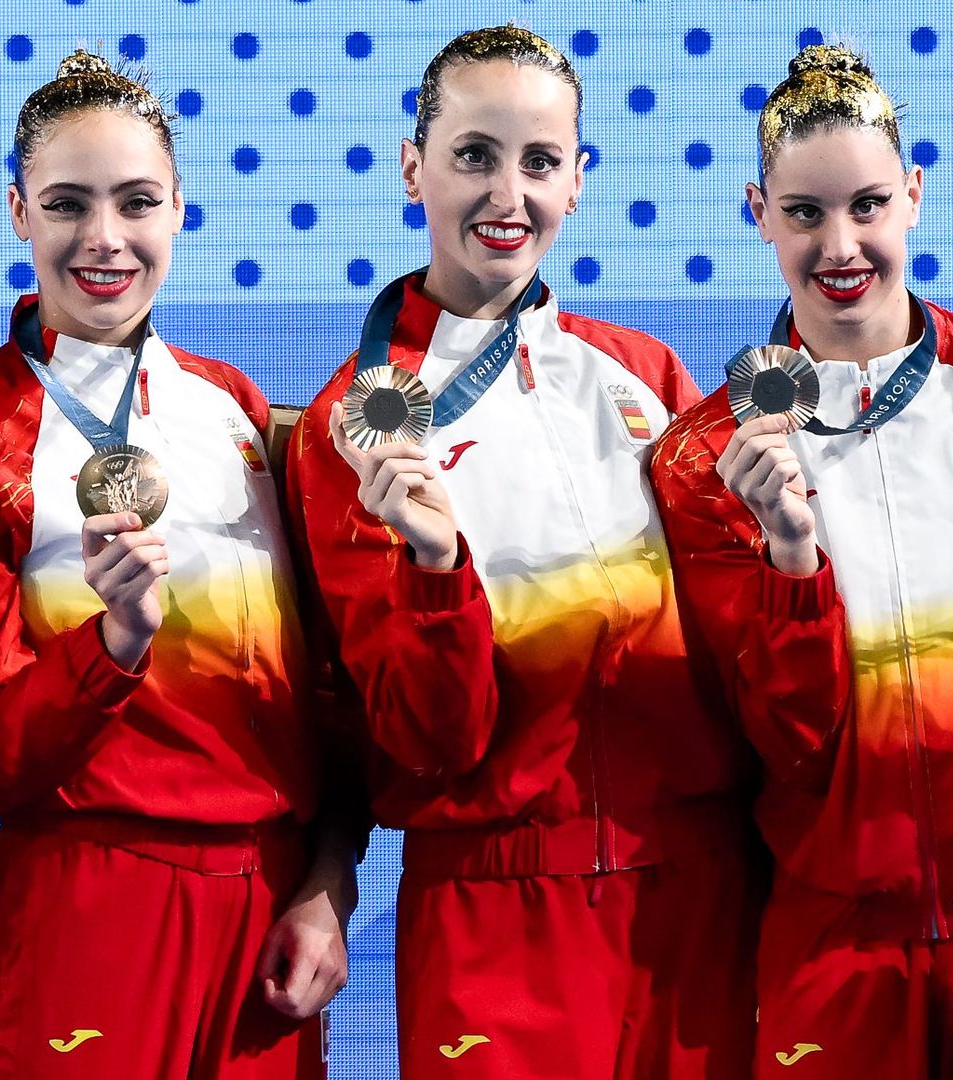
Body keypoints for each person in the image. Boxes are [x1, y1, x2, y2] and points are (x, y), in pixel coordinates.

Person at [289, 25, 770, 1080]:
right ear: (413, 166)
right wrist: (431, 573)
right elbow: (424, 740)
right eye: (475, 154)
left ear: (578, 181)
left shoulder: (645, 374)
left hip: (697, 892)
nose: (508, 192)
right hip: (493, 911)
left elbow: (743, 657)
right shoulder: (353, 424)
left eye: (540, 161)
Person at [0, 51, 356, 1080]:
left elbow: (321, 687)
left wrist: (327, 881)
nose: (103, 239)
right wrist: (112, 647)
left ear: (179, 210)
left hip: (266, 911)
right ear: (16, 213)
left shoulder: (237, 410)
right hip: (86, 903)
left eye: (136, 202)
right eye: (67, 204)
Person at [653, 43, 953, 1080]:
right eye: (806, 213)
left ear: (913, 196)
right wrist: (789, 561)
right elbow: (787, 740)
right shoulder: (705, 455)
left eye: (867, 205)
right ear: (757, 212)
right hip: (835, 937)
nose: (842, 244)